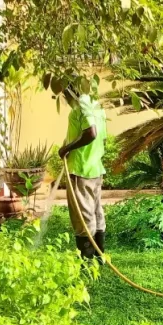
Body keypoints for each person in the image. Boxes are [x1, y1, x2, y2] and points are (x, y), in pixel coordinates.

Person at [58, 84, 108, 259]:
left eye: (65, 93)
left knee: (83, 217)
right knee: (96, 212)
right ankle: (100, 255)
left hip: (81, 169)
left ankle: (87, 262)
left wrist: (67, 148)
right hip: (95, 167)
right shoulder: (97, 106)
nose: (64, 98)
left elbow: (91, 133)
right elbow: (103, 140)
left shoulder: (82, 105)